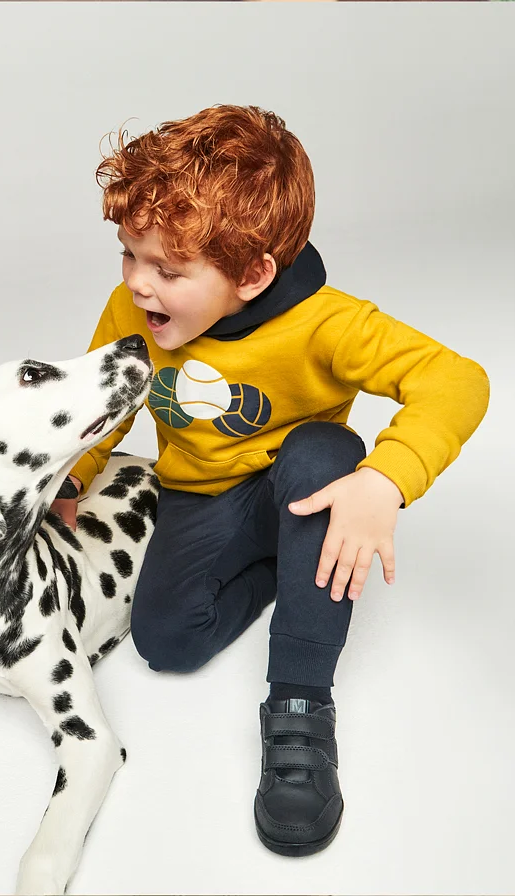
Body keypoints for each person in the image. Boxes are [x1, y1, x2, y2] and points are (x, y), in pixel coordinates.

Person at [51, 104, 490, 857]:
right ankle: (287, 567)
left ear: (253, 274)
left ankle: (300, 703)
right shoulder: (130, 309)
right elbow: (107, 401)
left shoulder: (328, 323)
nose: (139, 285)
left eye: (168, 270)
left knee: (323, 452)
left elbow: (459, 380)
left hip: (302, 483)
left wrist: (386, 480)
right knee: (166, 642)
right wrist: (72, 476)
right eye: (129, 255)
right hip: (201, 494)